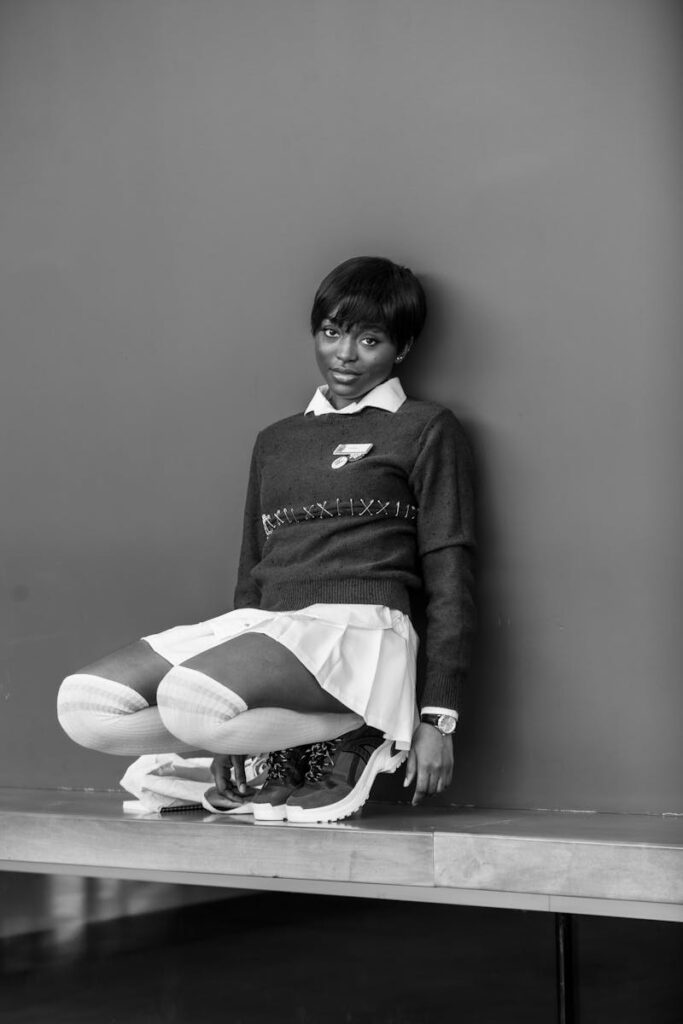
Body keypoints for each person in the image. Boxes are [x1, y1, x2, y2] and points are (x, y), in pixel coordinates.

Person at [57, 256, 476, 823]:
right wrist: (233, 738)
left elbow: (450, 571)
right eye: (331, 333)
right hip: (270, 628)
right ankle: (275, 749)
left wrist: (437, 716)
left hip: (359, 633)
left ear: (400, 349)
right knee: (84, 706)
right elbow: (251, 569)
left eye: (369, 340)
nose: (344, 355)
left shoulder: (425, 427)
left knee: (192, 697)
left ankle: (371, 727)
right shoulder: (276, 440)